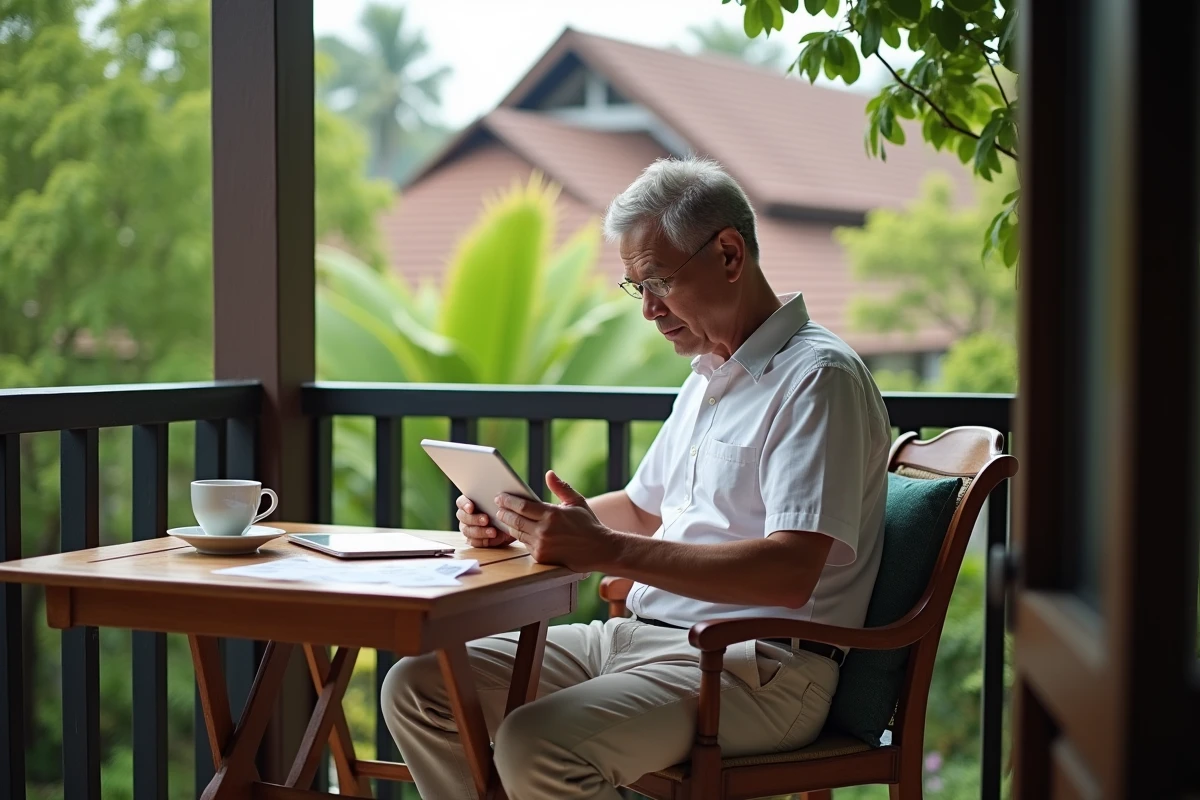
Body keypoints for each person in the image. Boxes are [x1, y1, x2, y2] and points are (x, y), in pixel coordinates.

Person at [381, 155, 891, 799]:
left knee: (536, 742)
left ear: (729, 255)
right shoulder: (710, 373)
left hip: (753, 667)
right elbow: (643, 508)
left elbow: (790, 574)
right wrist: (530, 524)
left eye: (658, 281)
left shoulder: (819, 380)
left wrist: (605, 551)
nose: (648, 309)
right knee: (420, 683)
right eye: (635, 287)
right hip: (637, 637)